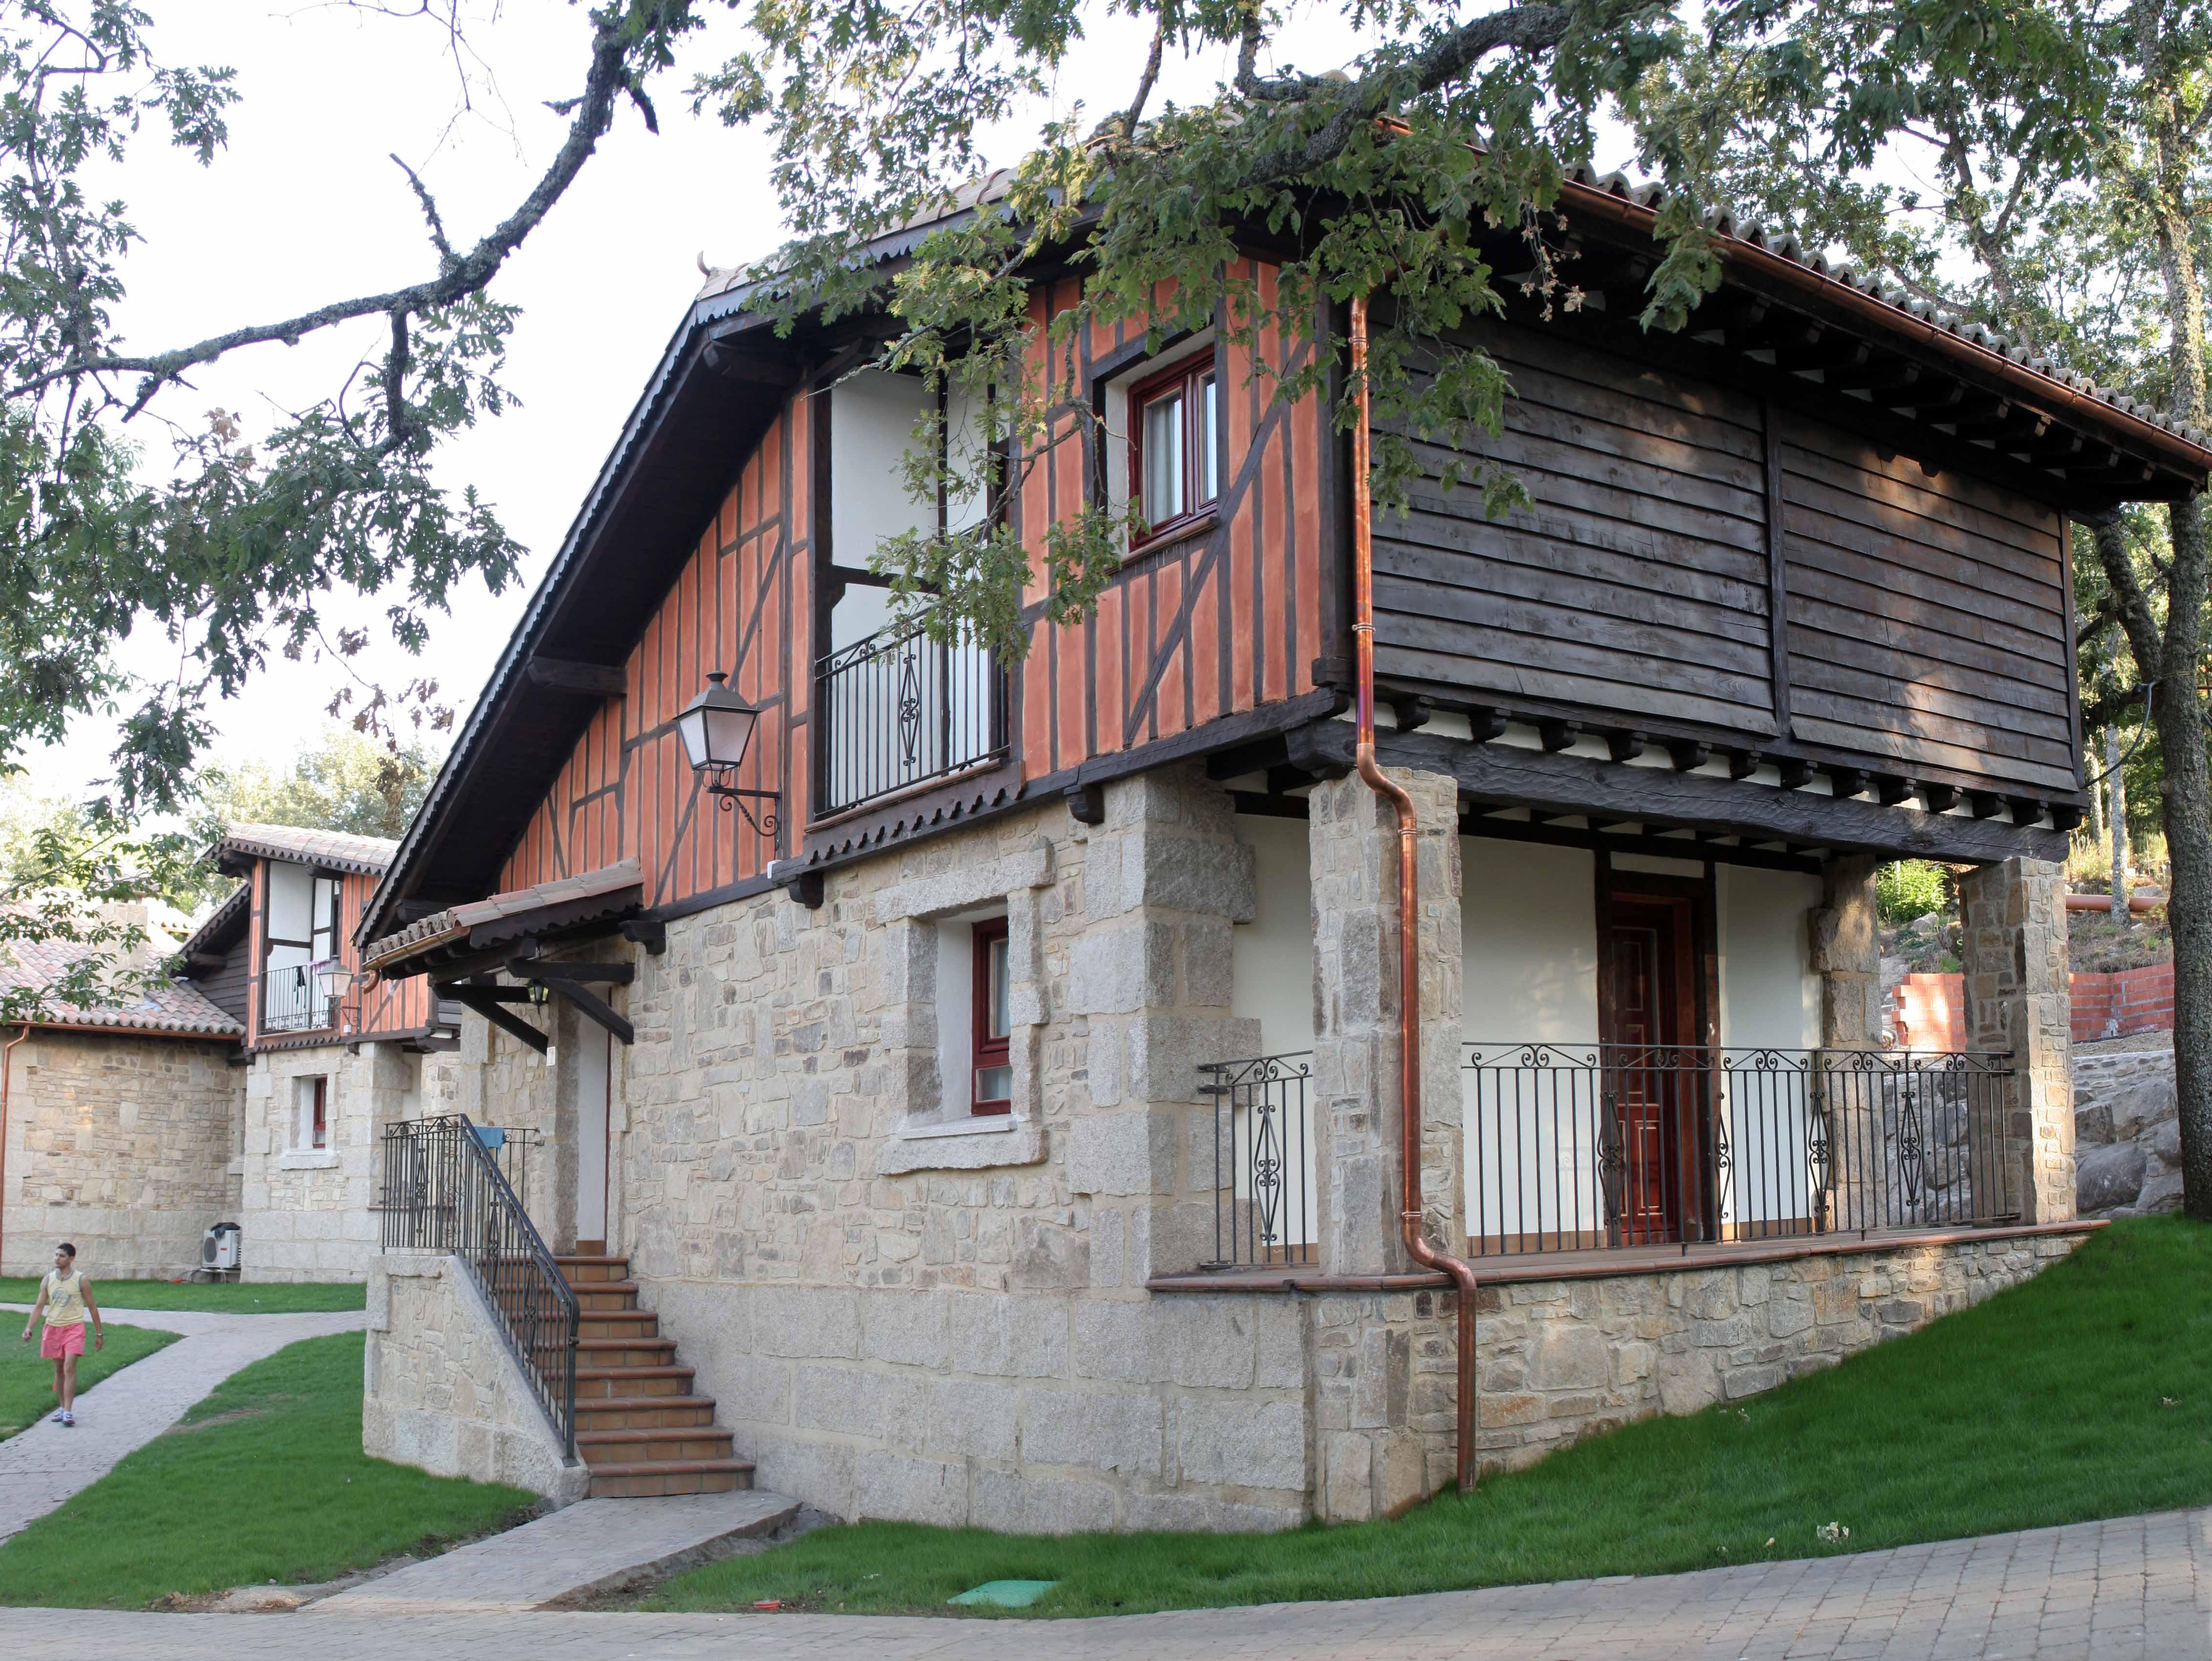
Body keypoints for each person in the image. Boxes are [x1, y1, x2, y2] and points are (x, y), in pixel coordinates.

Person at [20, 1242, 103, 1427]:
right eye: (56, 1255)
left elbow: (92, 1307)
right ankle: (62, 1406)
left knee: (69, 1367)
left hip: (74, 1328)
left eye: (62, 1256)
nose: (57, 1259)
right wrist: (29, 1328)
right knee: (58, 1370)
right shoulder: (48, 1280)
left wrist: (99, 1333)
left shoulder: (81, 1280)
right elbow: (39, 1306)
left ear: (71, 1259)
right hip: (53, 1328)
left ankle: (68, 1411)